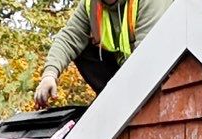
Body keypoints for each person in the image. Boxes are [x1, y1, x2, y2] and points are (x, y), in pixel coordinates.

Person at [33, 0, 171, 107]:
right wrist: (49, 75)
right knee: (82, 48)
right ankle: (109, 102)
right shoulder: (91, 4)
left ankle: (117, 103)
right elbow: (69, 37)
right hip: (124, 72)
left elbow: (148, 55)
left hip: (158, 70)